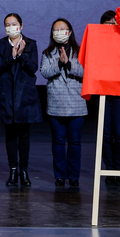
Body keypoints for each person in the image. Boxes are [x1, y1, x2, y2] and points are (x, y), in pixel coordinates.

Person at [0, 13, 42, 187]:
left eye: (14, 24)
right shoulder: (1, 44)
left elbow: (33, 68)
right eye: (7, 25)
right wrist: (12, 56)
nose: (11, 27)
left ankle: (24, 171)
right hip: (6, 95)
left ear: (21, 26)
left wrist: (21, 55)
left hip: (25, 96)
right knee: (10, 133)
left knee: (24, 134)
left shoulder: (30, 44)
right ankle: (13, 170)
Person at [40, 18, 87, 188]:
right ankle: (59, 176)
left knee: (75, 142)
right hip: (56, 104)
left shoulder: (80, 51)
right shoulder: (47, 53)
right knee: (58, 141)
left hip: (76, 104)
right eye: (56, 30)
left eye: (62, 29)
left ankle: (73, 176)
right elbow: (44, 72)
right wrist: (59, 63)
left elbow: (86, 72)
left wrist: (69, 64)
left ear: (70, 31)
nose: (59, 32)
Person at [99, 9, 120, 185]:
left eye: (113, 23)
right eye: (107, 23)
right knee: (106, 134)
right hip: (103, 92)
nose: (110, 26)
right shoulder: (98, 42)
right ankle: (109, 169)